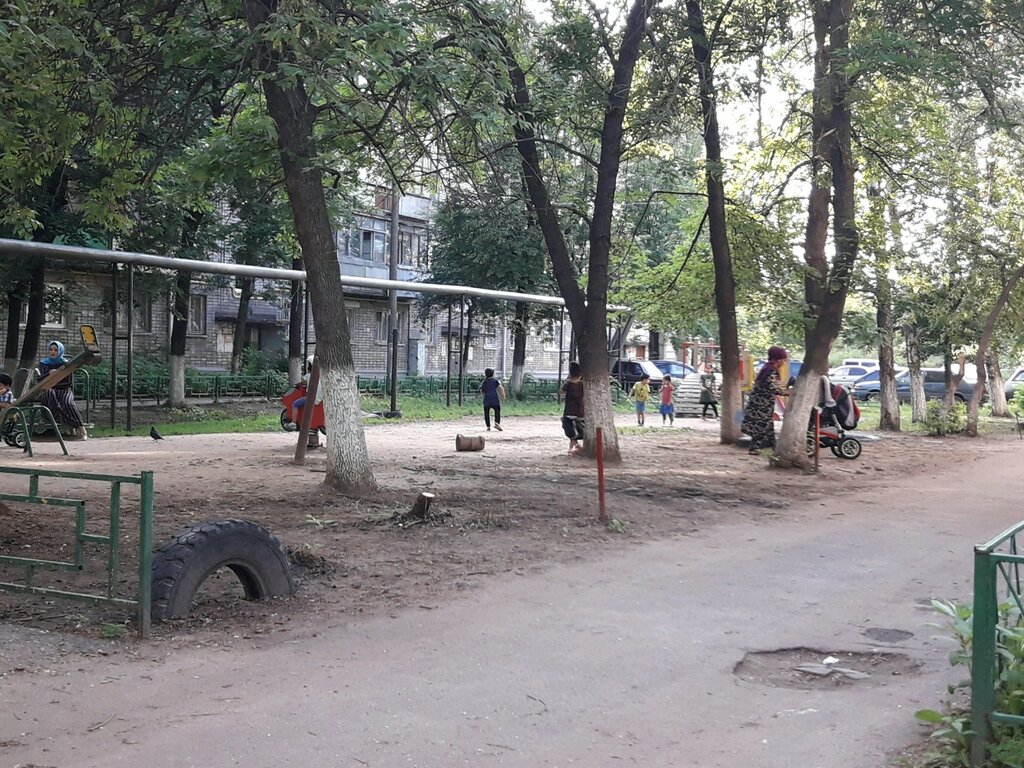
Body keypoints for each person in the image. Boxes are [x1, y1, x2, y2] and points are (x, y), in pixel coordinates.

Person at [741, 345, 791, 453]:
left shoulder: (767, 368)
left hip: (761, 403)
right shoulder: (770, 370)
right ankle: (760, 448)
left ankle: (769, 447)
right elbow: (771, 387)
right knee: (762, 426)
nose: (784, 362)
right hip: (761, 405)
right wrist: (787, 393)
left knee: (766, 426)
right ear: (778, 360)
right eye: (783, 360)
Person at [38, 340, 87, 438]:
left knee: (68, 403)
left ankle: (81, 429)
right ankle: (59, 422)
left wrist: (56, 378)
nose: (53, 352)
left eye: (55, 350)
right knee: (49, 394)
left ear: (60, 351)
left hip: (64, 390)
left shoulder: (66, 364)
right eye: (51, 349)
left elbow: (68, 382)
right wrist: (49, 374)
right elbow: (40, 380)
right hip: (50, 390)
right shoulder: (44, 363)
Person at [560, 361, 585, 455]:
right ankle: (571, 448)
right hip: (581, 411)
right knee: (576, 430)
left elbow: (561, 391)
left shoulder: (568, 384)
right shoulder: (583, 384)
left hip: (569, 411)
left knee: (569, 430)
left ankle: (577, 446)